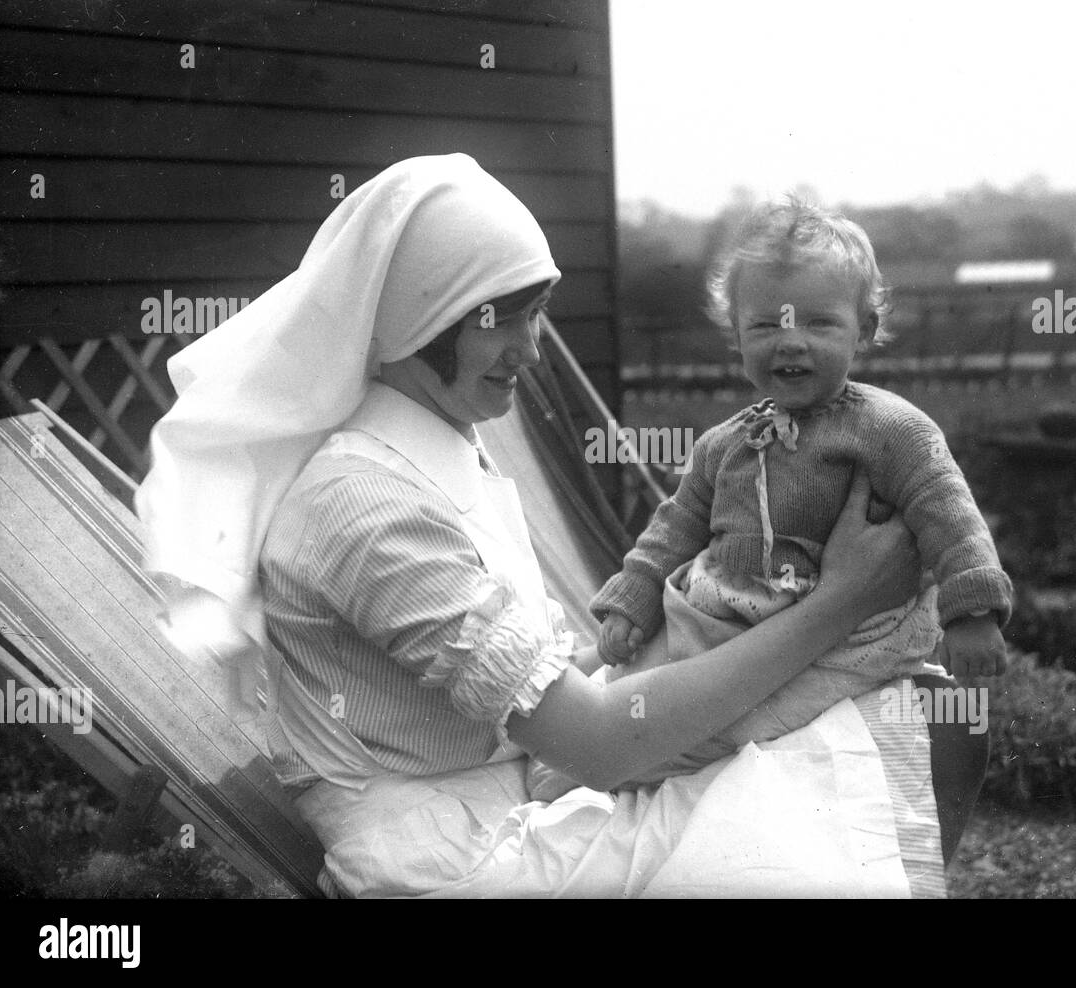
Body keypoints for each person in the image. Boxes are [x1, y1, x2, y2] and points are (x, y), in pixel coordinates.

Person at [137, 155, 945, 898]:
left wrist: (702, 621)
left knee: (849, 736)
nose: (529, 350)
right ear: (422, 312)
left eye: (537, 317)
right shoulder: (363, 507)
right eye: (499, 320)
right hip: (451, 862)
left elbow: (557, 683)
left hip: (506, 793)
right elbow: (598, 743)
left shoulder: (435, 453)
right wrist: (841, 603)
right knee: (829, 779)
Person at [570, 199, 1013, 786]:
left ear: (865, 332)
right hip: (718, 619)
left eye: (819, 322)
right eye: (765, 325)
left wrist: (973, 613)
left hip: (835, 635)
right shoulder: (723, 444)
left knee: (714, 741)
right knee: (626, 699)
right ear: (736, 336)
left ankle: (652, 774)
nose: (791, 342)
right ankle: (595, 764)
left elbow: (950, 515)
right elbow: (674, 526)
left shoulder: (891, 429)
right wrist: (635, 593)